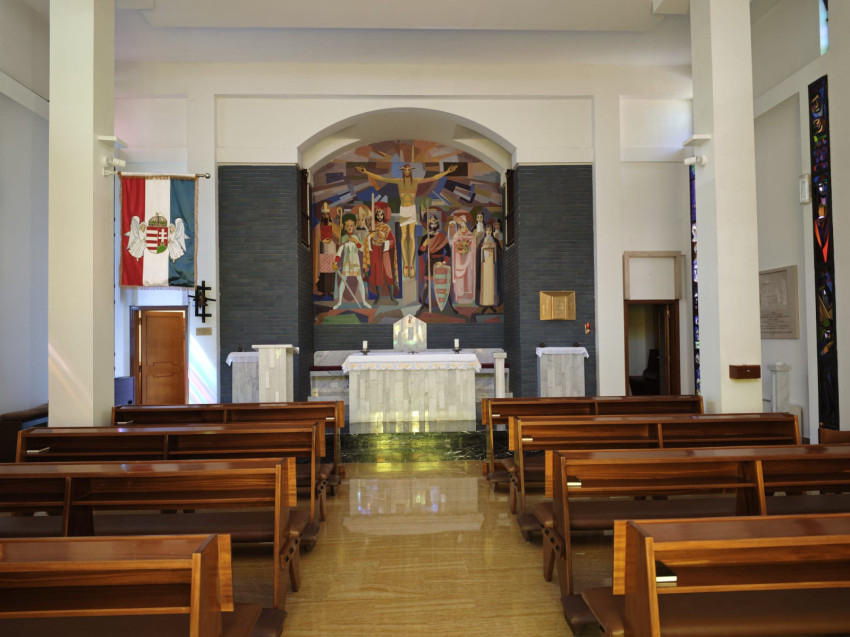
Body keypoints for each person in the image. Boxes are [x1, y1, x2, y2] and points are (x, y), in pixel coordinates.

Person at [356, 162, 457, 279]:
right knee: (404, 236)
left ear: (411, 171)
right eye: (405, 170)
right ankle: (405, 264)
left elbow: (433, 178)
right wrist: (366, 172)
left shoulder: (416, 181)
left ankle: (411, 265)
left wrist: (448, 171)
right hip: (403, 209)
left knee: (411, 236)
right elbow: (381, 178)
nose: (407, 171)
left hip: (411, 209)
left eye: (409, 170)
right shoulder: (399, 182)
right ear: (403, 171)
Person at [333, 213, 371, 309]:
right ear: (345, 227)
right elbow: (339, 251)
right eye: (348, 226)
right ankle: (339, 302)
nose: (350, 228)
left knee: (360, 280)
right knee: (343, 281)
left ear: (354, 227)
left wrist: (355, 241)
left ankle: (364, 302)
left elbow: (361, 248)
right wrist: (335, 262)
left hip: (355, 262)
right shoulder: (343, 238)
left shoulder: (356, 237)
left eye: (351, 226)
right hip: (346, 262)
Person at [417, 208, 452, 311]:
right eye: (431, 224)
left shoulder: (442, 237)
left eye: (435, 223)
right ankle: (422, 305)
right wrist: (424, 244)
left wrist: (443, 262)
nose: (433, 226)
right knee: (427, 284)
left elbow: (448, 252)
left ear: (437, 224)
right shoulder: (426, 237)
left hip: (439, 262)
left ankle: (450, 305)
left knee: (444, 284)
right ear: (429, 225)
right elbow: (419, 253)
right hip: (430, 261)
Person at [365, 202, 398, 304]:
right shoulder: (372, 228)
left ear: (384, 216)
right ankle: (378, 296)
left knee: (389, 273)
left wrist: (385, 242)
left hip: (385, 253)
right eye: (378, 215)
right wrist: (370, 238)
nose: (379, 217)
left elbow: (393, 241)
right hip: (375, 252)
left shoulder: (386, 228)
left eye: (381, 215)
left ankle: (392, 296)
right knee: (377, 274)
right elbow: (367, 241)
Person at [312, 201, 340, 297]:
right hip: (323, 251)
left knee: (331, 273)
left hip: (332, 251)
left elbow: (338, 239)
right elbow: (316, 239)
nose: (325, 216)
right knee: (323, 272)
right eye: (324, 214)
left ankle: (331, 290)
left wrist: (333, 234)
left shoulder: (334, 226)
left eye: (327, 214)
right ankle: (323, 290)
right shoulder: (318, 226)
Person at [449, 211, 476, 304]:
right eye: (459, 223)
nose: (461, 224)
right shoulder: (457, 234)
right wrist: (459, 246)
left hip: (468, 258)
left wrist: (468, 248)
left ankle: (469, 296)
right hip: (459, 259)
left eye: (462, 222)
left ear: (465, 223)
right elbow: (454, 245)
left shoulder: (470, 234)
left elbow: (473, 246)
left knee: (468, 276)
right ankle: (459, 295)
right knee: (460, 277)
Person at [476, 223, 502, 313]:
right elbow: (479, 250)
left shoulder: (495, 241)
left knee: (492, 284)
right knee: (485, 284)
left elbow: (499, 252)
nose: (488, 231)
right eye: (487, 230)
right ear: (485, 231)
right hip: (484, 266)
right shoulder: (482, 241)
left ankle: (492, 303)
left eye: (490, 230)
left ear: (492, 231)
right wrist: (484, 246)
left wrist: (493, 246)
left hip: (492, 266)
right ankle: (484, 303)